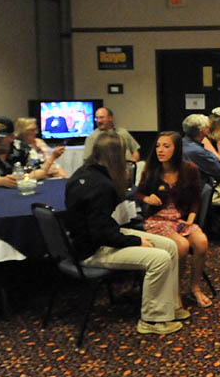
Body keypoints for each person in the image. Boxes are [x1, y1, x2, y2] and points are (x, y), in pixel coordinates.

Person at [65, 131, 189, 335]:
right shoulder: (101, 186)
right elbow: (102, 234)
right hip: (92, 250)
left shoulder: (83, 173)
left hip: (93, 239)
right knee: (159, 259)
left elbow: (101, 227)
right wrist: (135, 241)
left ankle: (170, 307)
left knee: (170, 246)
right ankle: (152, 319)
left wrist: (133, 239)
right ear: (115, 156)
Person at [135, 131, 213, 309]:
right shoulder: (152, 170)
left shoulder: (189, 170)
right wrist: (147, 199)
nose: (160, 150)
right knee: (182, 246)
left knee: (201, 242)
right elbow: (138, 194)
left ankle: (195, 287)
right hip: (157, 219)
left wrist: (191, 219)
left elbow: (195, 198)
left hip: (180, 219)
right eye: (158, 146)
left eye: (166, 146)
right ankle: (175, 291)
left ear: (176, 150)